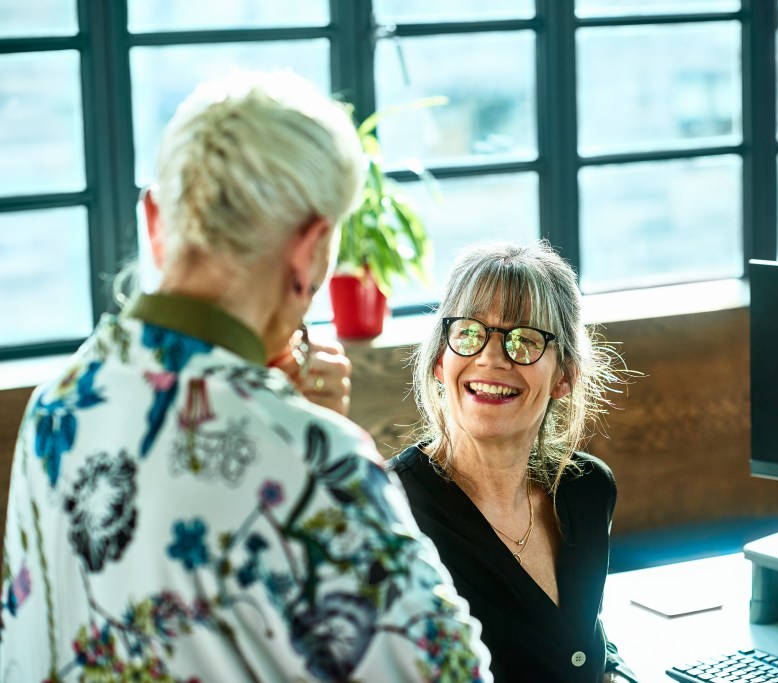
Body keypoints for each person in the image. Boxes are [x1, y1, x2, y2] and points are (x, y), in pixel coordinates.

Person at [0, 70, 491, 682]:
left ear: (153, 220)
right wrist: (313, 440)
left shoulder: (57, 407)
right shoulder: (313, 460)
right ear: (308, 251)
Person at [387, 240, 638, 682]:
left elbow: (581, 642)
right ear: (440, 360)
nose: (490, 358)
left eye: (524, 340)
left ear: (565, 375)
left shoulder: (587, 489)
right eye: (468, 332)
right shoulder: (391, 513)